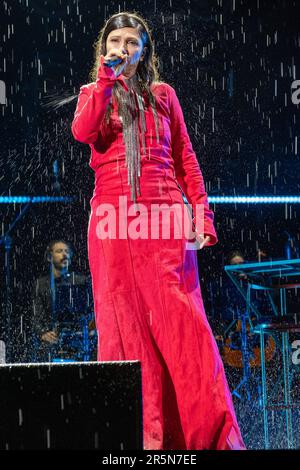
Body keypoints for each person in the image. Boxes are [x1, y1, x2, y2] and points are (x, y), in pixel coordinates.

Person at [71, 11, 245, 450]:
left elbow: (187, 161)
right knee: (121, 329)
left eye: (132, 42)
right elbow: (83, 131)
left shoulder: (163, 95)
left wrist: (201, 217)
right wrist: (106, 79)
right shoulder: (94, 93)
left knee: (183, 329)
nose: (124, 48)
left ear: (144, 50)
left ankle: (208, 440)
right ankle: (137, 442)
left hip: (165, 218)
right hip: (111, 223)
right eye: (116, 40)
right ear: (105, 47)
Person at [31, 239, 96, 362]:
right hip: (53, 338)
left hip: (78, 337)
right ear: (50, 257)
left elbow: (92, 310)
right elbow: (36, 316)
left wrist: (88, 328)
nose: (64, 254)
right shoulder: (41, 284)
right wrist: (43, 333)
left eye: (66, 251)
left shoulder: (81, 281)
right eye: (59, 251)